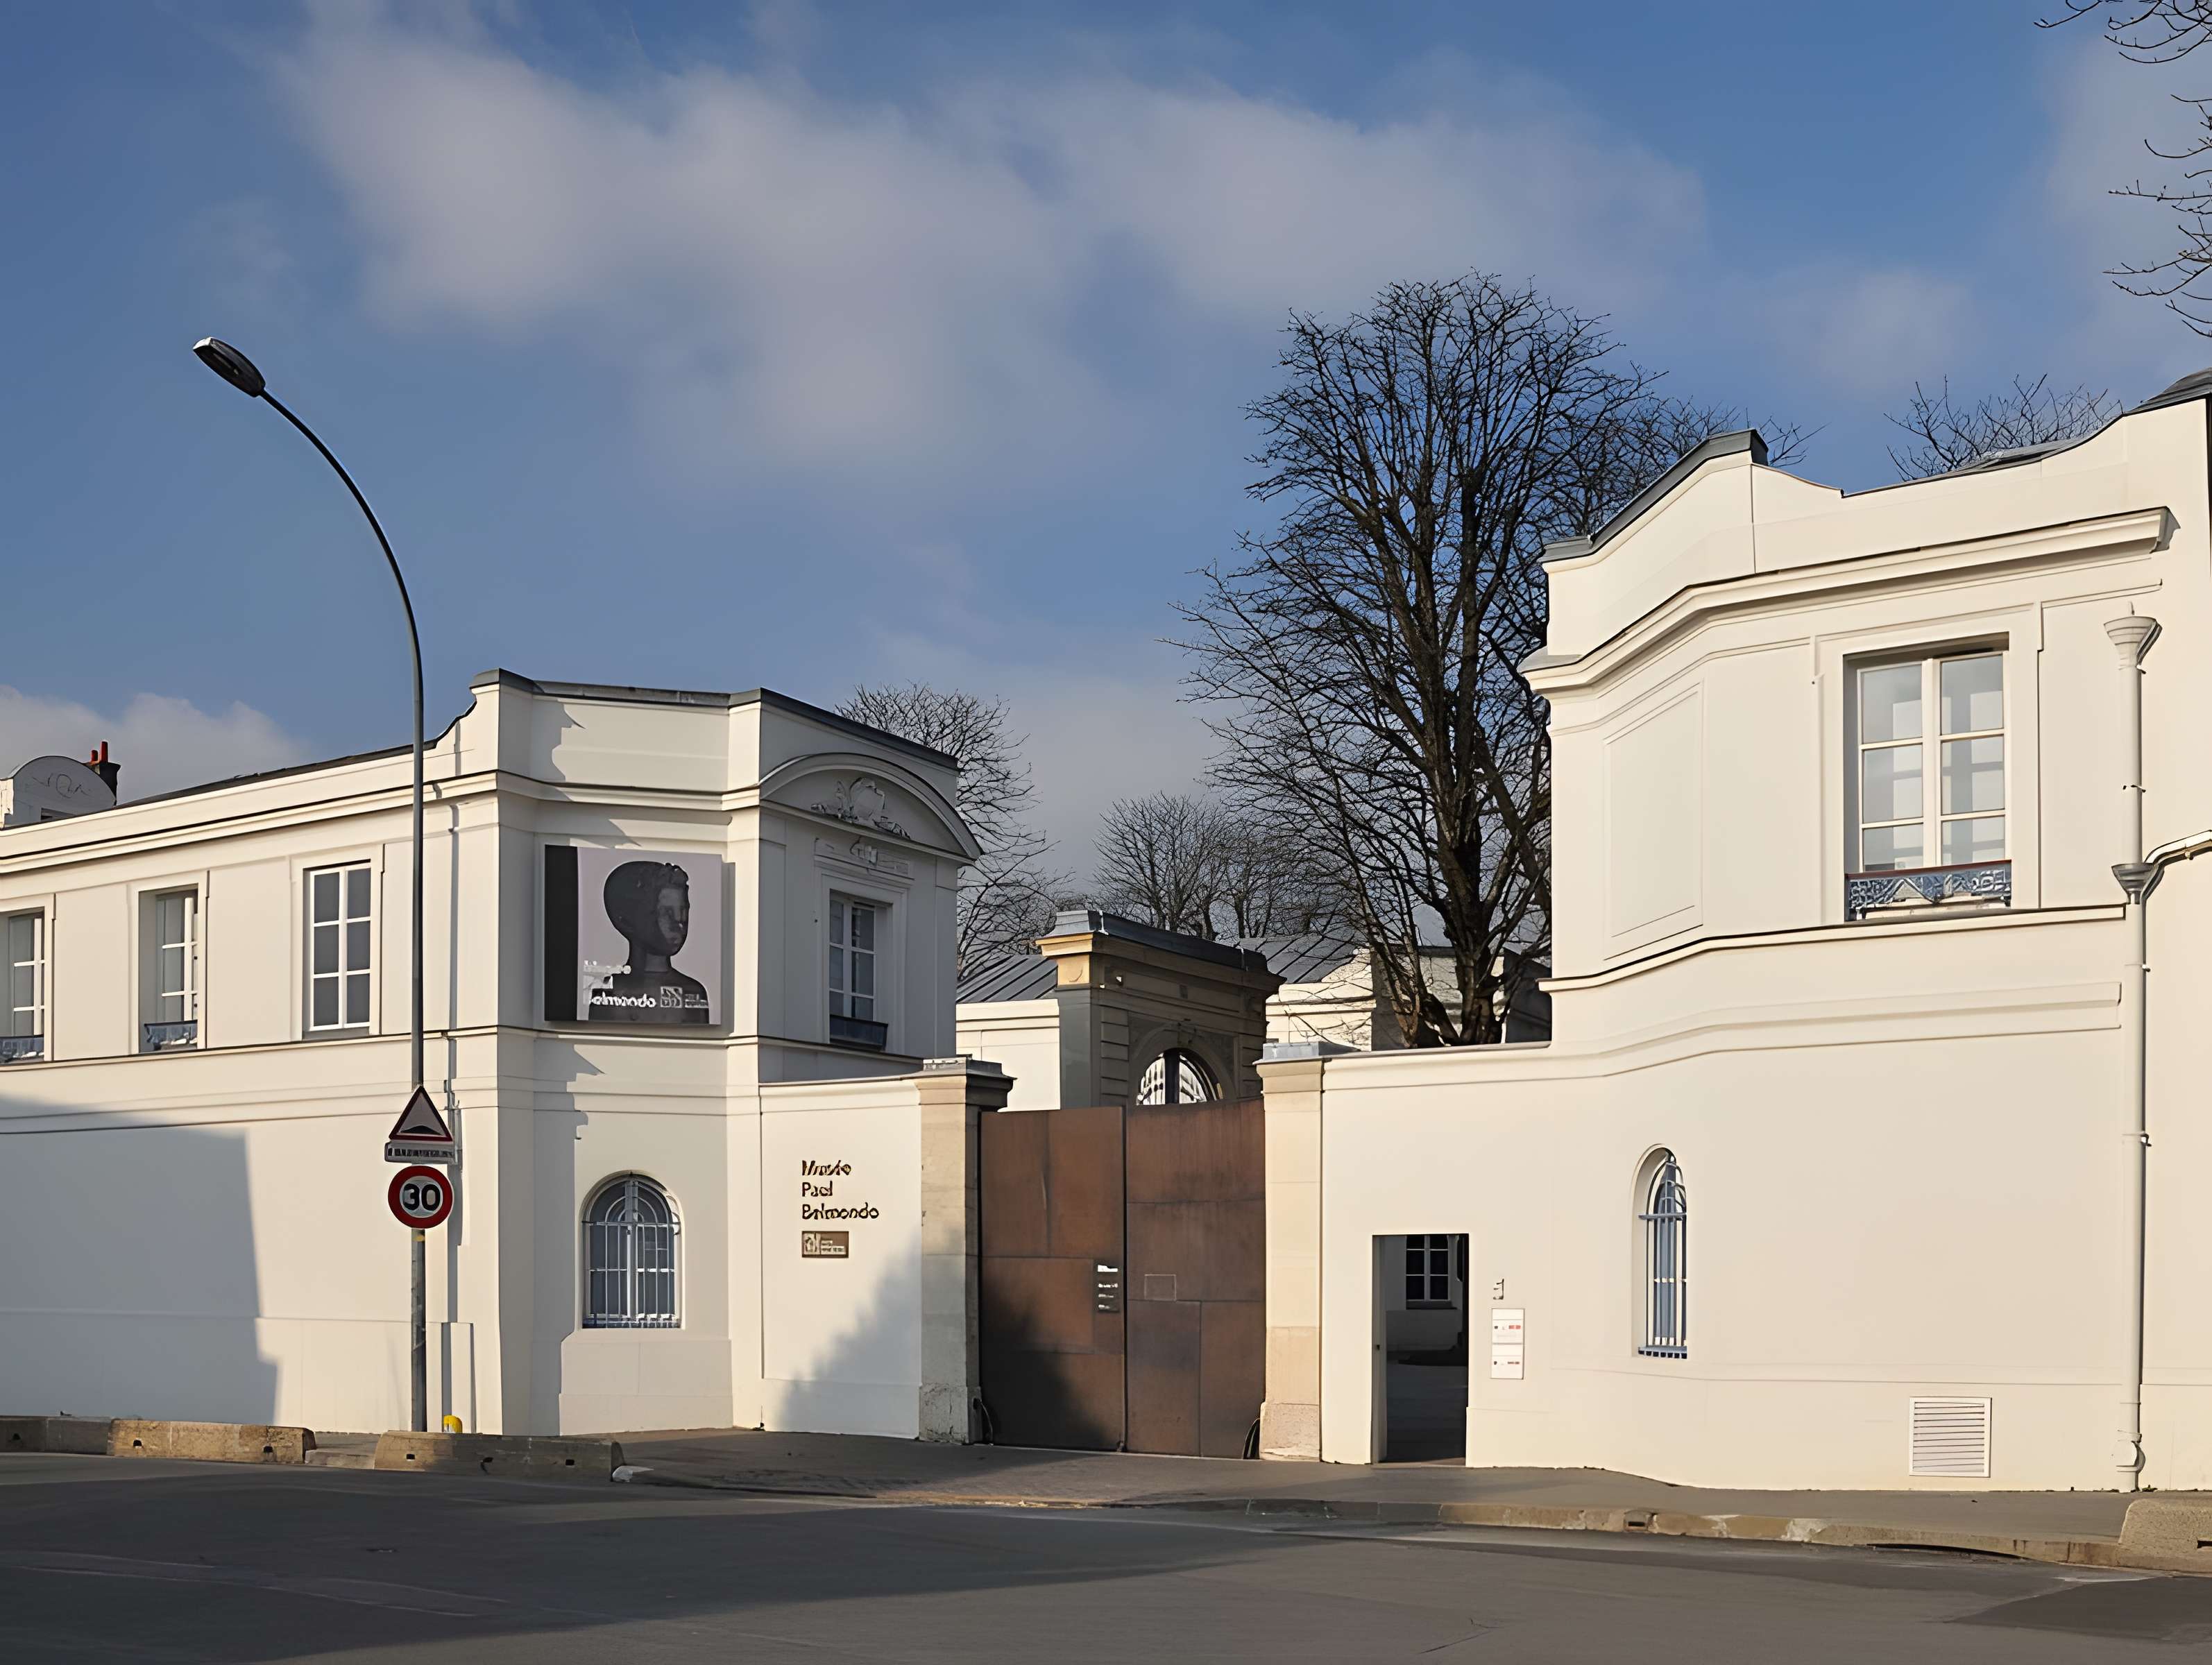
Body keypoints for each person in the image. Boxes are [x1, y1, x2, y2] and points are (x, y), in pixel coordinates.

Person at [590, 860, 711, 1024]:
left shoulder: (692, 992)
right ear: (627, 919)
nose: (680, 922)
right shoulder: (607, 991)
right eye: (666, 913)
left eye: (683, 910)